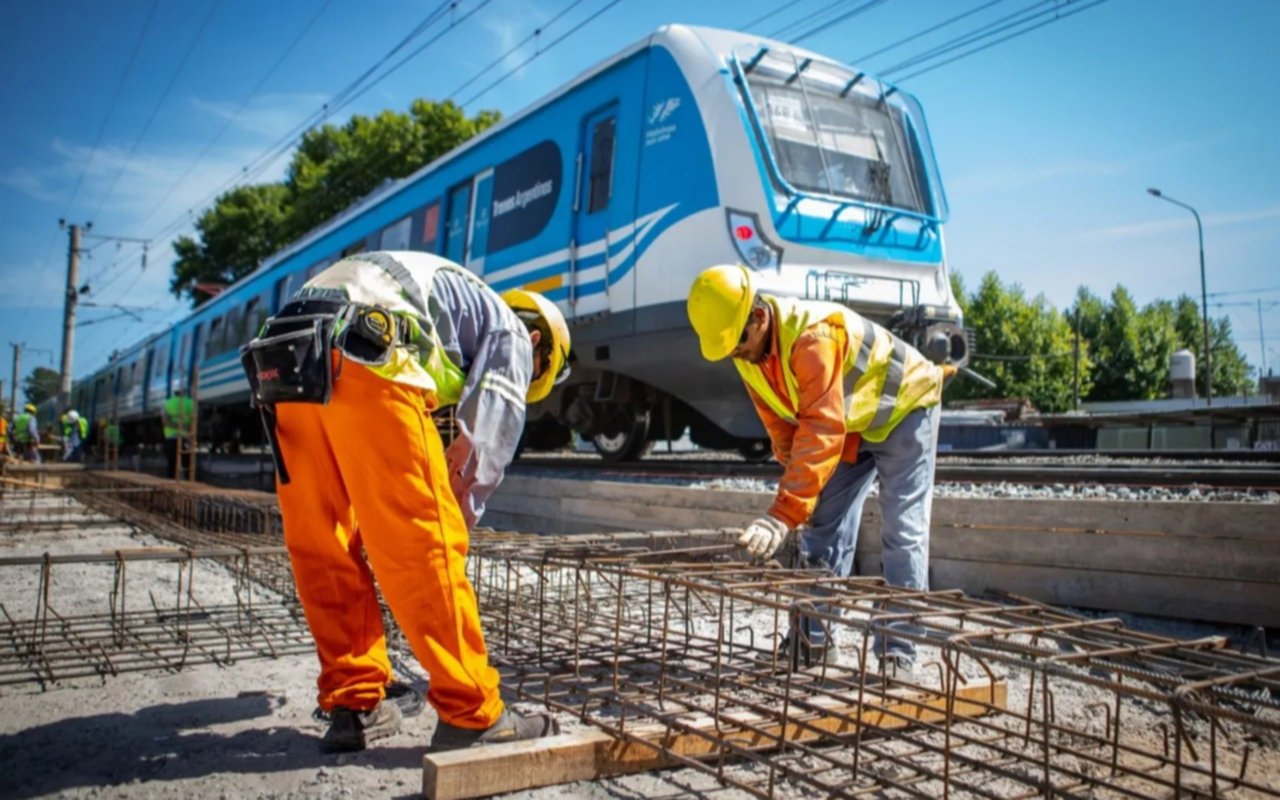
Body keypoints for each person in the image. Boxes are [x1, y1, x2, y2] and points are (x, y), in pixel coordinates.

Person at [247, 250, 570, 754]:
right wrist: (455, 516)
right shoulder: (510, 329)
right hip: (367, 351)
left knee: (323, 545)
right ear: (537, 344)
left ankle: (355, 704)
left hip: (288, 361)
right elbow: (484, 450)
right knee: (422, 542)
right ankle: (472, 710)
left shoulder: (452, 304)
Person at [687, 264, 946, 676]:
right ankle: (813, 642)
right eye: (729, 349)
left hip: (904, 408)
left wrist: (783, 511)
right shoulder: (744, 347)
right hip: (851, 424)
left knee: (903, 534)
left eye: (738, 344)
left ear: (758, 316)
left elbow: (821, 426)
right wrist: (798, 502)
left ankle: (899, 654)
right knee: (822, 529)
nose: (736, 353)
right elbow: (780, 423)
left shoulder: (812, 338)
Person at [161, 388, 194, 478]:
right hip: (186, 436)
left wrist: (176, 426)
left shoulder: (167, 403)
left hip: (171, 436)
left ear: (174, 393)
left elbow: (165, 421)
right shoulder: (191, 403)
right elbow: (194, 420)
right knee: (187, 461)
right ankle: (188, 480)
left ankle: (171, 480)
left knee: (172, 461)